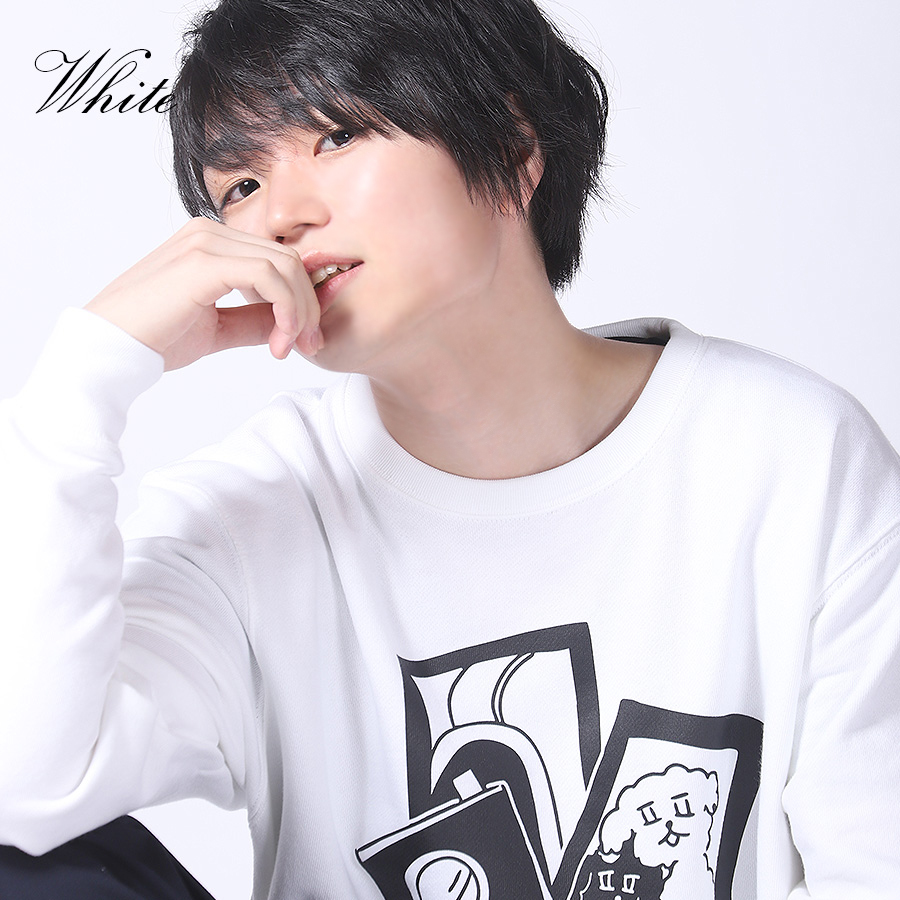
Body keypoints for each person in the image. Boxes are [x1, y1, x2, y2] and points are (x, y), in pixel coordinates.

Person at [1, 0, 899, 898]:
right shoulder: (247, 518)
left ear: (513, 147)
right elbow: (27, 789)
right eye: (239, 186)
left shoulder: (790, 459)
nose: (279, 216)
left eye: (337, 136)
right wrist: (84, 375)